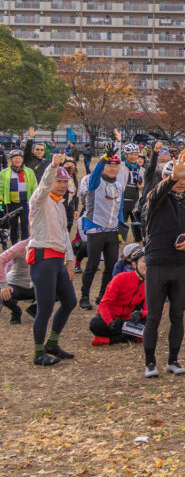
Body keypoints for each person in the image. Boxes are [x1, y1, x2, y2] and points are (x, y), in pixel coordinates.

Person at [142, 152, 185, 378]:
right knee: (154, 316)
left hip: (180, 265)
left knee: (177, 314)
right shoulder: (156, 200)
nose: (182, 182)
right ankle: (150, 363)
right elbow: (157, 192)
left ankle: (173, 361)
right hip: (157, 263)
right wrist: (169, 179)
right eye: (178, 178)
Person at [26, 154, 77, 366]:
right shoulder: (40, 199)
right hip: (43, 256)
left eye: (66, 182)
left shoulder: (59, 205)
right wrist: (53, 166)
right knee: (45, 307)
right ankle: (39, 353)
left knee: (70, 301)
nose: (63, 185)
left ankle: (52, 343)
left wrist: (70, 260)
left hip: (57, 259)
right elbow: (43, 187)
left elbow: (65, 235)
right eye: (60, 181)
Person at [79, 133, 129, 310]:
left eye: (115, 166)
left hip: (112, 230)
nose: (113, 169)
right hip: (96, 229)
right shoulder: (95, 182)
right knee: (92, 266)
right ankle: (84, 296)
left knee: (111, 267)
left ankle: (103, 295)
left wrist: (119, 142)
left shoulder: (118, 184)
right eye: (109, 165)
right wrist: (103, 159)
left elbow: (120, 207)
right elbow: (95, 174)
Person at [89, 244, 147, 346]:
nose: (148, 265)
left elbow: (149, 310)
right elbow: (104, 304)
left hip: (126, 320)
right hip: (109, 319)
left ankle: (108, 340)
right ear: (134, 264)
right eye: (144, 261)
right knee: (95, 324)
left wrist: (140, 314)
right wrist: (110, 322)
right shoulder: (120, 278)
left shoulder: (149, 284)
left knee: (149, 325)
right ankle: (128, 336)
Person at [1, 149, 37, 246]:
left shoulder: (29, 171)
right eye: (15, 158)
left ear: (22, 159)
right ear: (11, 160)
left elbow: (34, 186)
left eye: (19, 158)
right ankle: (14, 246)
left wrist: (34, 200)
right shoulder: (4, 173)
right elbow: (1, 187)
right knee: (13, 226)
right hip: (11, 203)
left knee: (25, 225)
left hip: (25, 203)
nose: (17, 160)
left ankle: (25, 246)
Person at [0, 239, 36, 324]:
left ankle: (35, 309)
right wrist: (4, 285)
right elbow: (1, 259)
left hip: (35, 286)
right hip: (16, 284)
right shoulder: (21, 246)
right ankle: (16, 311)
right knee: (4, 294)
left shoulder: (48, 246)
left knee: (59, 291)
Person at [120, 143, 145, 243]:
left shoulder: (142, 170)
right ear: (126, 155)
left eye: (136, 154)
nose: (134, 157)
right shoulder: (121, 166)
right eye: (131, 154)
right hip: (124, 199)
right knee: (122, 224)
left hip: (136, 200)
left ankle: (138, 242)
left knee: (137, 224)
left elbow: (144, 185)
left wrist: (142, 187)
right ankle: (120, 243)